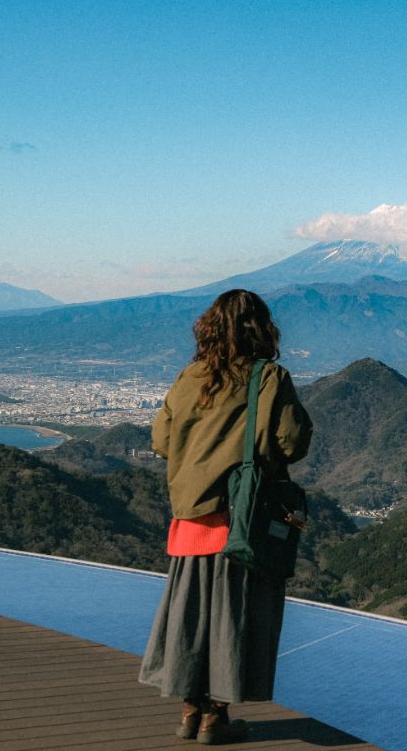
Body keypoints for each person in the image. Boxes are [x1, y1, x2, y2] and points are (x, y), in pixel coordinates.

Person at [139, 289, 313, 744]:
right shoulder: (268, 378)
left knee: (191, 616)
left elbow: (161, 441)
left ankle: (188, 712)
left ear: (210, 327)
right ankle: (217, 716)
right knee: (231, 618)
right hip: (240, 521)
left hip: (191, 520)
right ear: (261, 327)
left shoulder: (189, 377)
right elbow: (292, 442)